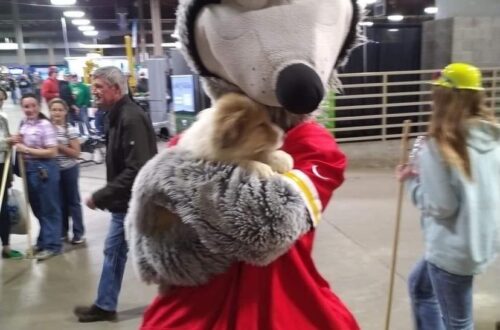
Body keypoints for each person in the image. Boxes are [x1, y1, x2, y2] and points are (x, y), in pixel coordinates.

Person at [396, 63, 500, 330]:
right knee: (421, 288)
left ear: (442, 99)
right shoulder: (493, 136)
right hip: (481, 240)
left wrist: (412, 182)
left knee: (458, 321)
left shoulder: (439, 146)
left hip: (452, 250)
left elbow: (442, 207)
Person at [73, 66, 157, 322]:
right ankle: (105, 304)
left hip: (134, 203)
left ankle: (106, 304)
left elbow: (137, 169)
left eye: (98, 87)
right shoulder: (117, 115)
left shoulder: (130, 117)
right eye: (93, 86)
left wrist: (100, 196)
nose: (93, 92)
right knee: (118, 252)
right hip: (127, 202)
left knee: (146, 254)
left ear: (116, 89)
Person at [9, 93, 62, 261]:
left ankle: (53, 245)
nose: (30, 109)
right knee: (38, 209)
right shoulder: (23, 123)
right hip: (29, 171)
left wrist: (27, 150)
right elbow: (19, 144)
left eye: (33, 106)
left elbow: (52, 152)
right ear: (22, 108)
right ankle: (44, 240)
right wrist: (15, 140)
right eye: (26, 106)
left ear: (39, 106)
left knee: (49, 209)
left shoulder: (45, 125)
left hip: (44, 170)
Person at [48, 98, 85, 245]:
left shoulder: (70, 130)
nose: (57, 113)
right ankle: (63, 232)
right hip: (53, 171)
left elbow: (76, 153)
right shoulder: (47, 129)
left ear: (65, 112)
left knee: (73, 202)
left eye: (60, 110)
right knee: (60, 202)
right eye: (54, 110)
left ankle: (78, 233)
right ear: (50, 111)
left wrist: (59, 146)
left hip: (69, 169)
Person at [0, 88, 22, 260]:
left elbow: (7, 141)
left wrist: (11, 140)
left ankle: (6, 246)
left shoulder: (3, 117)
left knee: (3, 207)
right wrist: (6, 141)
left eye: (1, 99)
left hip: (3, 166)